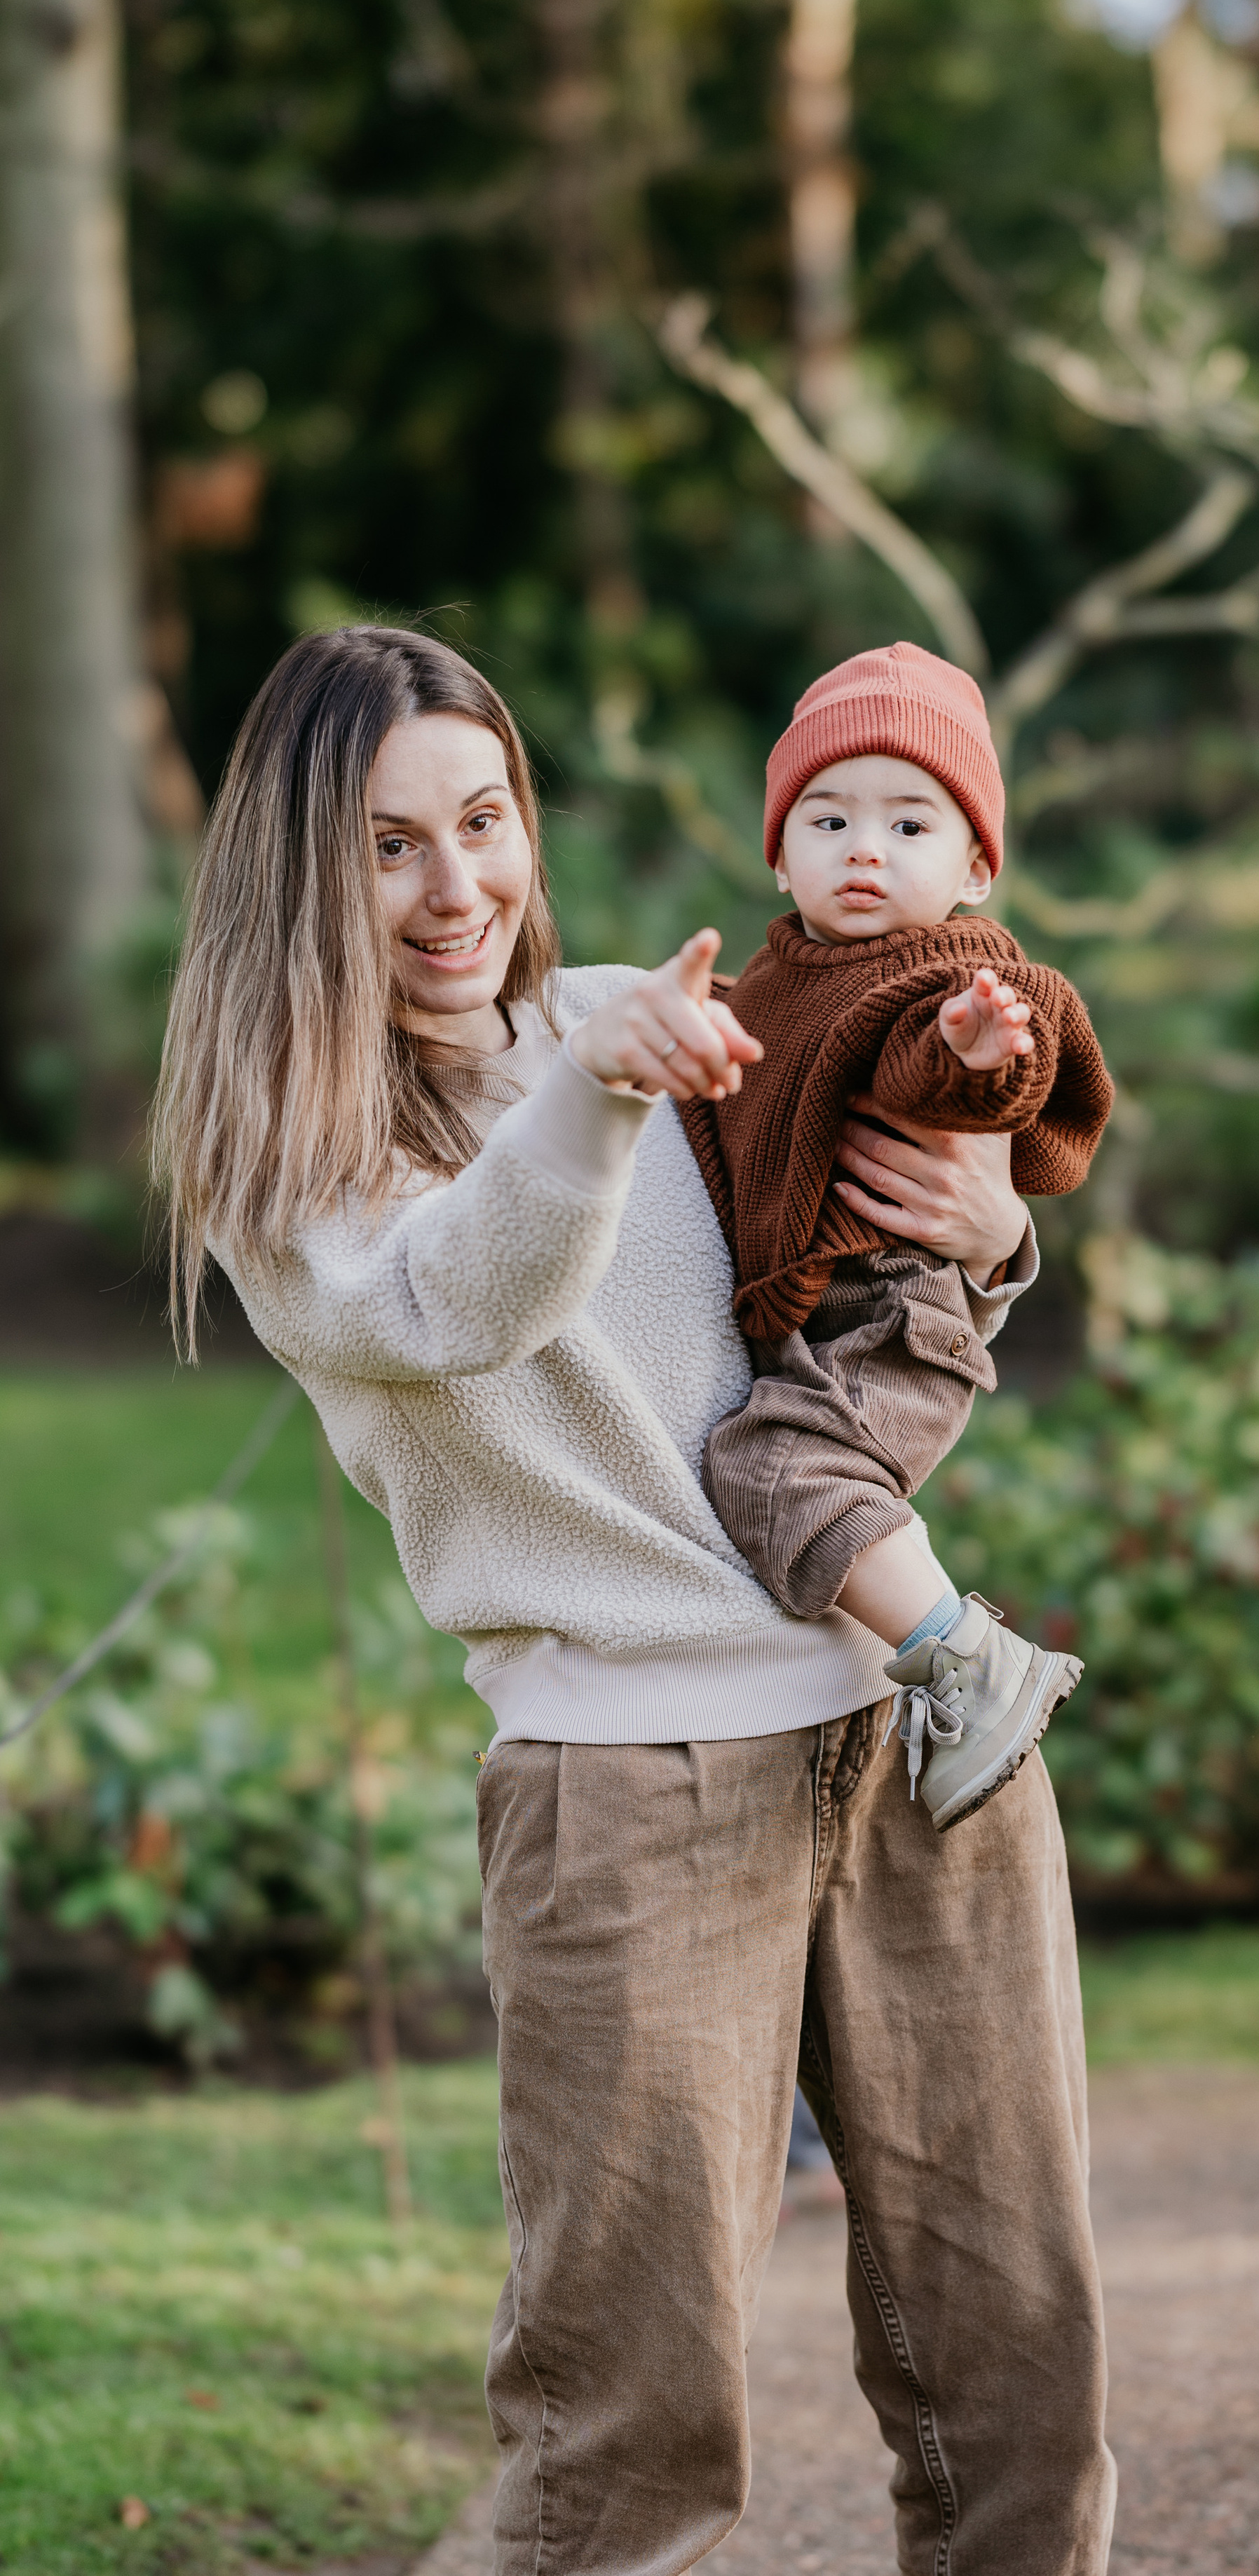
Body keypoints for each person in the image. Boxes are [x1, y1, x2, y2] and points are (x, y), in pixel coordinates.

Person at [151, 625, 1115, 2576]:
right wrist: (590, 1095)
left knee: (1017, 2385)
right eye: (387, 845)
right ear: (296, 874)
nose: (457, 887)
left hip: (915, 1728)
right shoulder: (288, 1170)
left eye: (483, 821)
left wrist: (996, 1223)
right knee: (632, 2435)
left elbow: (856, 1272)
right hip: (629, 1793)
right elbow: (465, 1300)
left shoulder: (639, 1018)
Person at [683, 642, 1113, 1829]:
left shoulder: (950, 974)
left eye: (909, 826)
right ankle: (941, 1657)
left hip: (898, 1311)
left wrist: (980, 1051)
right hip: (834, 1312)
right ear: (780, 853)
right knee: (780, 1465)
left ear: (976, 867)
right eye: (829, 820)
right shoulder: (781, 977)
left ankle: (970, 1663)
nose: (865, 849)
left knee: (777, 1471)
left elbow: (942, 1073)